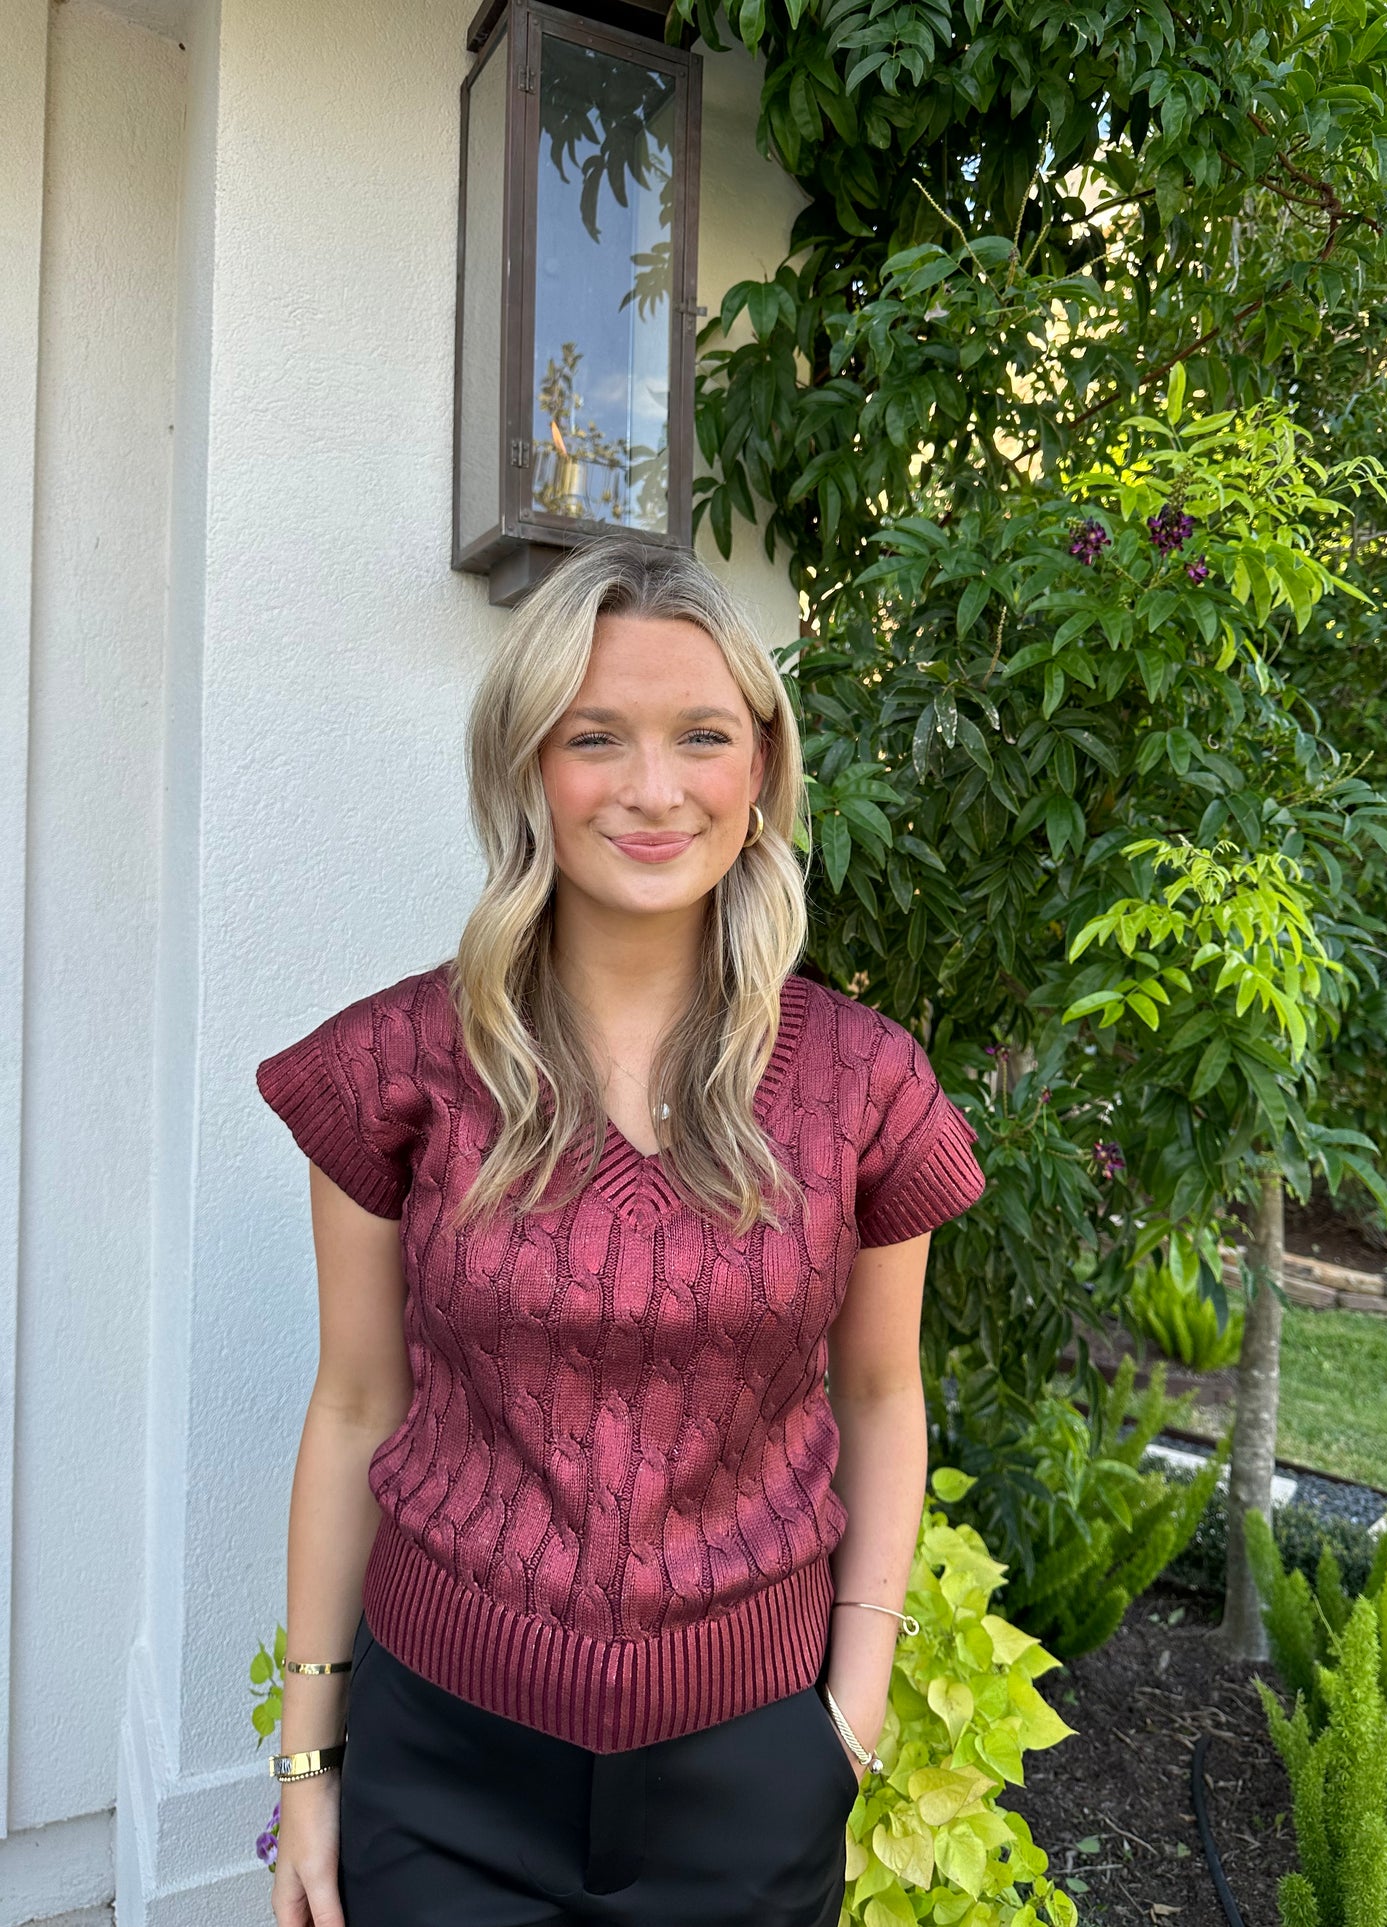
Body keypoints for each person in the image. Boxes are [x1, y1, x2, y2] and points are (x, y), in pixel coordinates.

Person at [254, 537, 986, 1927]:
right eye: (597, 739)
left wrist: (855, 1710)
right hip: (444, 1769)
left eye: (700, 736)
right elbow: (355, 1405)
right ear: (528, 767)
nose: (654, 791)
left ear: (761, 769)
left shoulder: (863, 1086)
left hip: (749, 1773)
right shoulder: (393, 1069)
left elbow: (882, 1396)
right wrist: (309, 1768)